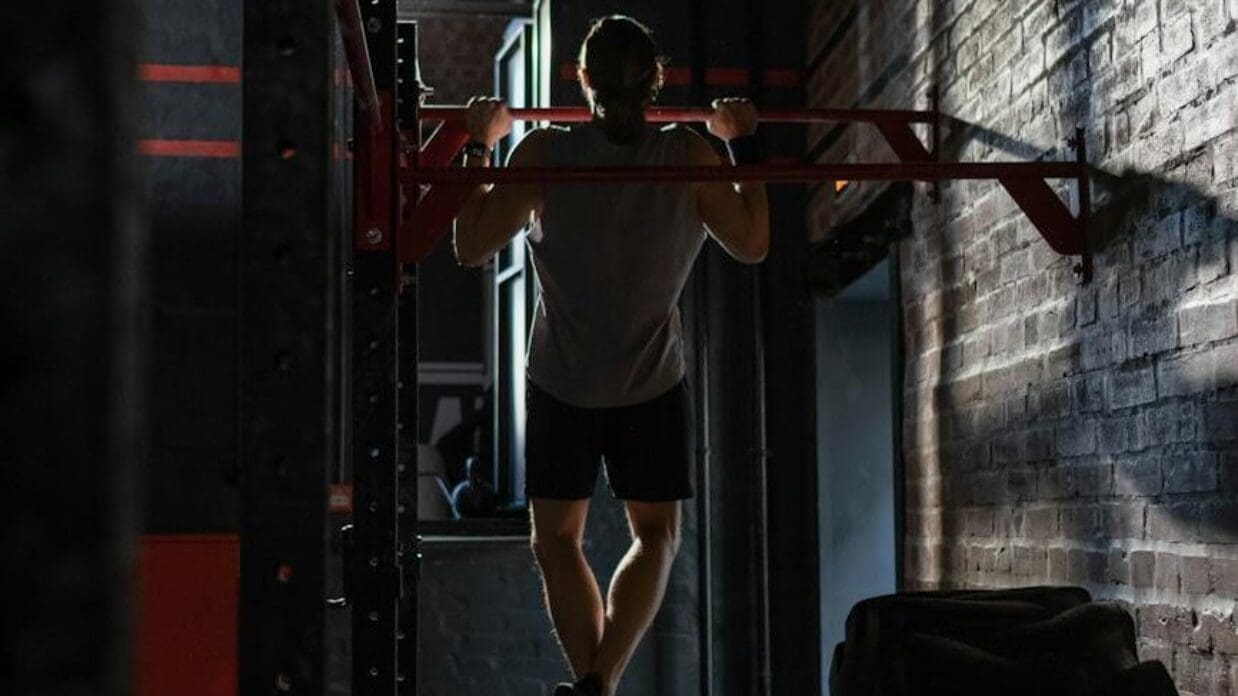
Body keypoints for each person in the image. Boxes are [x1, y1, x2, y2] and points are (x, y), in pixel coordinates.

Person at [452, 14, 768, 696]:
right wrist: (740, 144)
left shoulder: (541, 155)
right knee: (658, 537)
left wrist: (479, 146)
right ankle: (600, 682)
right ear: (657, 81)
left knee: (554, 541)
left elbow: (470, 244)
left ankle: (597, 684)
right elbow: (753, 242)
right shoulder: (689, 155)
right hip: (651, 382)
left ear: (582, 79)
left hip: (563, 381)